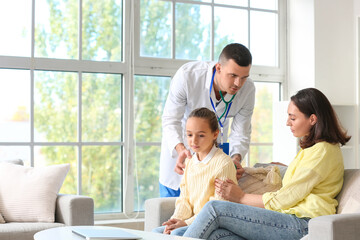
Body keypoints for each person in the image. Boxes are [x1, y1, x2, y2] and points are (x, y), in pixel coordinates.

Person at [182, 88, 351, 240]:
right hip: (290, 218)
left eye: (293, 118)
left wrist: (240, 197)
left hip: (302, 224)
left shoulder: (322, 151)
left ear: (313, 119)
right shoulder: (312, 150)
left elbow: (284, 198)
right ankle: (168, 235)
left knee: (215, 209)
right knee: (218, 236)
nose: (287, 122)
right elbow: (303, 181)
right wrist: (277, 169)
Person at [159, 43, 255, 197]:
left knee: (206, 212)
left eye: (244, 77)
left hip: (214, 162)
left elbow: (241, 132)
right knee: (172, 213)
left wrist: (236, 159)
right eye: (233, 76)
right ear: (218, 68)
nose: (238, 84)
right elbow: (170, 120)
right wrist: (180, 149)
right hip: (183, 157)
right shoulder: (187, 76)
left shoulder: (248, 90)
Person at [153, 108, 237, 236]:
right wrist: (175, 221)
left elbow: (218, 207)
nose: (194, 141)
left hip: (214, 222)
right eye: (189, 135)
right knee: (156, 233)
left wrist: (186, 224)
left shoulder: (223, 163)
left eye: (201, 135)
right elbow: (184, 200)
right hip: (193, 222)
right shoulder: (190, 162)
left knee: (177, 234)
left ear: (215, 134)